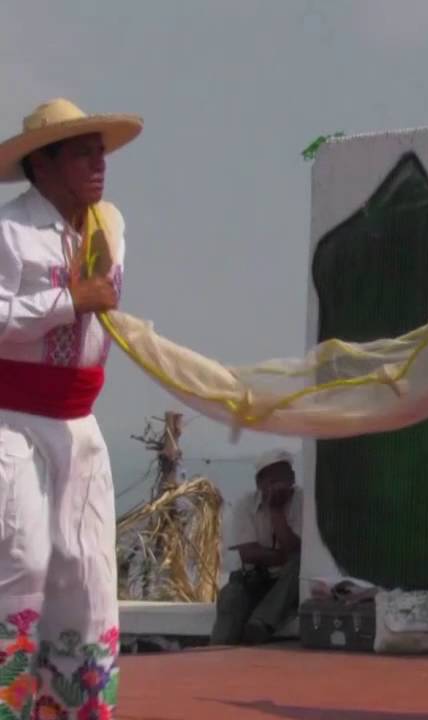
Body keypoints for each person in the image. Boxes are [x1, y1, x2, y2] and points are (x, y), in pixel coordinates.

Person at [0, 98, 141, 718]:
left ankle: (78, 706)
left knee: (85, 574)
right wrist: (68, 301)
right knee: (21, 560)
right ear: (43, 163)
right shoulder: (9, 232)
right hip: (14, 425)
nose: (98, 161)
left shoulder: (110, 227)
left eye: (100, 150)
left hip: (80, 429)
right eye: (82, 151)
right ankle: (9, 703)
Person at [211, 449, 303, 646]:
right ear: (259, 484)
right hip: (253, 579)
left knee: (298, 566)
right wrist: (283, 556)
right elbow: (248, 555)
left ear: (293, 478)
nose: (280, 486)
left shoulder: (302, 501)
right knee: (230, 596)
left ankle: (260, 624)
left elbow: (296, 550)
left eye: (285, 479)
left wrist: (276, 513)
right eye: (273, 481)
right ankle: (218, 653)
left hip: (286, 585)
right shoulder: (245, 504)